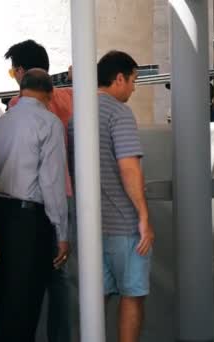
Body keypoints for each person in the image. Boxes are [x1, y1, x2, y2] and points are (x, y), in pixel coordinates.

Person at [69, 50, 154, 342]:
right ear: (119, 78)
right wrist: (143, 216)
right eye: (133, 80)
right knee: (132, 295)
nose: (133, 88)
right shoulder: (119, 113)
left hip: (89, 226)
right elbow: (129, 167)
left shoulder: (76, 117)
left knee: (96, 299)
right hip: (123, 224)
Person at [0, 69, 69, 342]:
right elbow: (52, 182)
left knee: (6, 298)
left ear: (21, 91)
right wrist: (61, 232)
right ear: (50, 94)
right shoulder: (49, 123)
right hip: (29, 220)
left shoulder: (1, 123)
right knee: (27, 301)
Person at [4, 39, 76, 342]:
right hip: (67, 196)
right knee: (60, 279)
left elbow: (46, 176)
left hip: (29, 205)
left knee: (24, 282)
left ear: (21, 72)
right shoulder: (72, 97)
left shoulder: (15, 109)